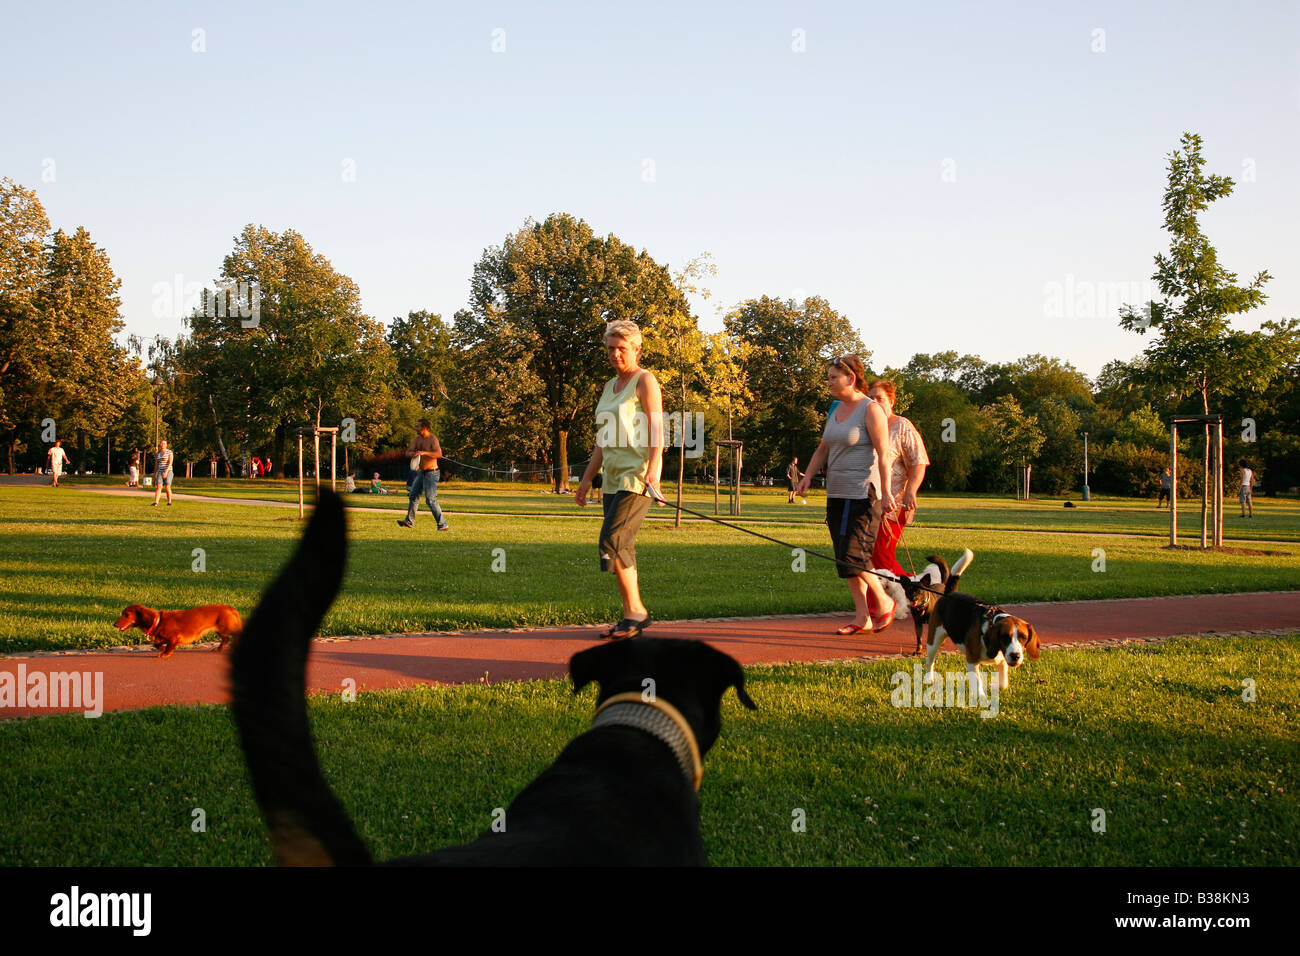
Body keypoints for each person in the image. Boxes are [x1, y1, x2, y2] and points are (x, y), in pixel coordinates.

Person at [794, 355, 896, 635]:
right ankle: (862, 617)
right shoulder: (835, 408)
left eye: (833, 377)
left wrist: (887, 492)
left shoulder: (870, 409)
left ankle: (884, 601)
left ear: (851, 379)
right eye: (828, 377)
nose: (828, 382)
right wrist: (808, 476)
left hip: (864, 493)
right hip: (836, 493)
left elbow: (885, 455)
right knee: (844, 557)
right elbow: (824, 448)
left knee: (854, 554)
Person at [576, 320, 664, 641]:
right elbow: (603, 438)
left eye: (621, 348)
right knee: (622, 545)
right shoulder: (608, 386)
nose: (615, 354)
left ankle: (636, 613)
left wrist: (654, 469)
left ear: (636, 349)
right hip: (612, 479)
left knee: (611, 541)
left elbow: (658, 431)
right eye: (610, 348)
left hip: (638, 477)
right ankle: (633, 615)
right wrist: (587, 479)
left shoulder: (645, 380)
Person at [863, 379, 929, 623]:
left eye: (880, 398)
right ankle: (912, 591)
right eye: (871, 398)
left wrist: (911, 491)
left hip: (893, 503)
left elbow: (918, 462)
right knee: (868, 554)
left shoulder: (902, 426)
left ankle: (907, 595)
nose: (875, 402)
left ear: (891, 401)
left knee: (881, 555)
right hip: (866, 500)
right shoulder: (867, 425)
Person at [398, 419, 449, 530]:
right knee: (413, 496)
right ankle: (409, 521)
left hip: (432, 473)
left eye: (417, 426)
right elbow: (408, 452)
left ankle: (443, 524)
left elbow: (439, 454)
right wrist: (413, 454)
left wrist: (424, 452)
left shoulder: (432, 439)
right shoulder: (417, 439)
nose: (415, 428)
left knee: (430, 499)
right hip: (421, 473)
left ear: (424, 427)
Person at [152, 440, 175, 506]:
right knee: (159, 486)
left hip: (168, 471)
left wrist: (166, 471)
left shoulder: (169, 452)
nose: (162, 444)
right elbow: (157, 464)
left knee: (167, 486)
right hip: (160, 471)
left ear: (166, 445)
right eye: (161, 443)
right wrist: (155, 473)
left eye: (164, 443)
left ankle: (169, 502)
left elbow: (170, 462)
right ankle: (156, 502)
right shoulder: (158, 453)